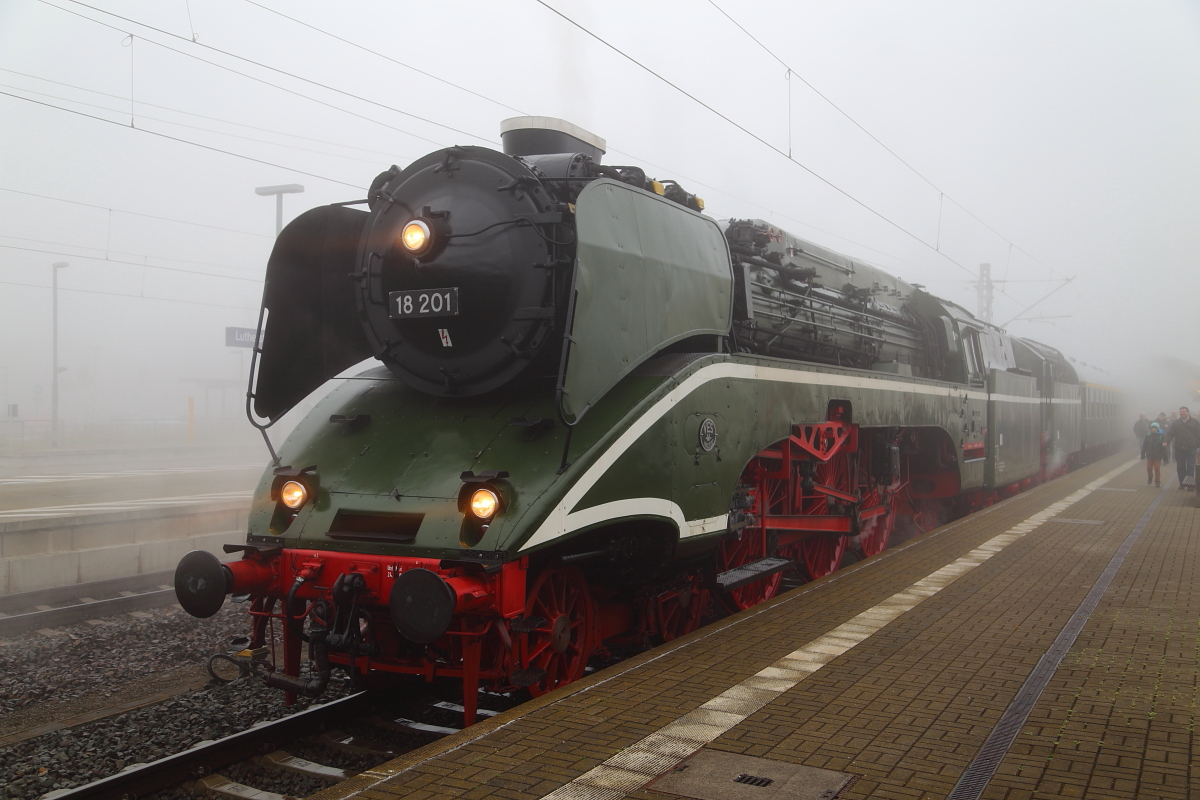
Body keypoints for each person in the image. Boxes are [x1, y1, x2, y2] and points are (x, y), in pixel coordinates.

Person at [1164, 407, 1200, 490]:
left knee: (1190, 467)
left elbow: (1198, 434)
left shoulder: (1194, 422)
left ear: (1188, 412)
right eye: (1180, 411)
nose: (1182, 413)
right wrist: (1166, 441)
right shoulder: (1176, 423)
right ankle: (1182, 484)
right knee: (1180, 467)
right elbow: (1170, 433)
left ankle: (1190, 485)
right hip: (1179, 448)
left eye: (1184, 411)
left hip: (1191, 448)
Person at [1145, 422, 1166, 487]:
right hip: (1150, 454)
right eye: (1152, 428)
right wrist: (1143, 453)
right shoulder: (1148, 435)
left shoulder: (1161, 436)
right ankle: (1150, 476)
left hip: (1157, 455)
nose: (1153, 429)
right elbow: (1145, 444)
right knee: (1149, 468)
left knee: (1157, 468)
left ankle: (1157, 481)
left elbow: (1164, 447)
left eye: (1155, 428)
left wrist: (1165, 457)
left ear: (1157, 429)